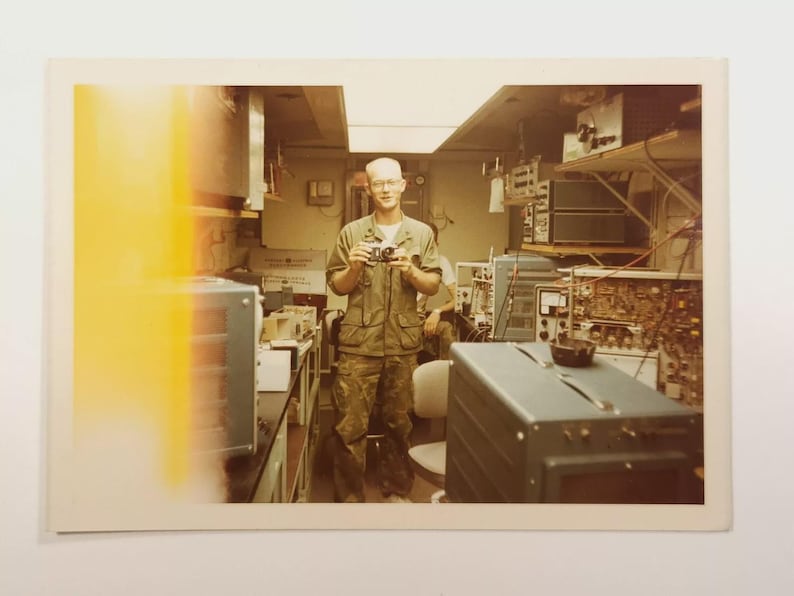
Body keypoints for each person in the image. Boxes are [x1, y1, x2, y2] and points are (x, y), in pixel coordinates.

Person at [325, 157, 441, 503]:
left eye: (392, 182)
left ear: (404, 185)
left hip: (403, 346)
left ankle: (397, 492)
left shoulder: (421, 234)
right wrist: (355, 266)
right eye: (379, 183)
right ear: (368, 188)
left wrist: (409, 270)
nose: (386, 189)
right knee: (349, 428)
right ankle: (349, 500)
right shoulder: (352, 233)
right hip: (359, 345)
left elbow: (433, 284)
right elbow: (338, 286)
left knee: (399, 426)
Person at [416, 222, 457, 361]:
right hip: (398, 324)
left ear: (436, 245)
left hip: (420, 320)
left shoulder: (440, 262)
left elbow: (458, 299)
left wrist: (436, 312)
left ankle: (446, 376)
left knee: (446, 329)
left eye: (430, 244)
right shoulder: (403, 261)